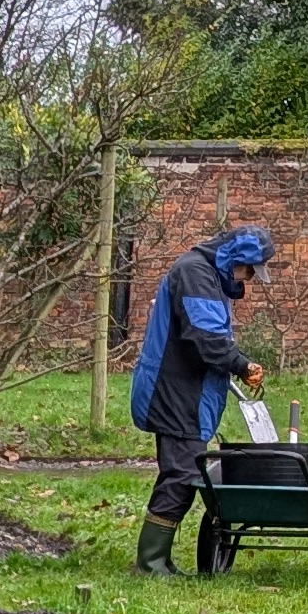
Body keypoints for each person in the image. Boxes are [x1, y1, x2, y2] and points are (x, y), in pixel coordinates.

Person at [129, 224, 272, 572]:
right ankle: (150, 564)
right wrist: (241, 364)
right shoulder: (195, 273)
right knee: (181, 474)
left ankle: (158, 559)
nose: (249, 279)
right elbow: (207, 338)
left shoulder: (207, 276)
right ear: (237, 259)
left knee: (182, 473)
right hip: (174, 390)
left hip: (187, 391)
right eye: (250, 270)